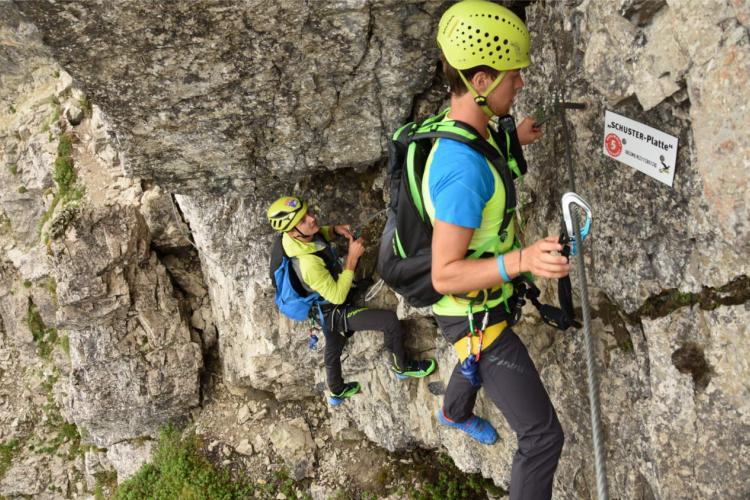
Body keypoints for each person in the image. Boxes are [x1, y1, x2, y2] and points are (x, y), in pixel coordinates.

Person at [426, 2, 569, 499]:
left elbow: (483, 154)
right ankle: (455, 409)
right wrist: (524, 261)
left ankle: (454, 410)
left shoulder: (467, 128)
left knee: (471, 368)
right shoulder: (461, 169)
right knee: (543, 437)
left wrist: (516, 137)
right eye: (514, 77)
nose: (521, 84)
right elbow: (444, 274)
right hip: (474, 317)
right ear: (482, 79)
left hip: (475, 309)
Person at [267, 196, 436, 405]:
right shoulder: (307, 264)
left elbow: (316, 234)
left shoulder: (294, 238)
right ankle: (401, 368)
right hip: (334, 311)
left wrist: (334, 230)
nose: (311, 218)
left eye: (308, 212)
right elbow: (337, 296)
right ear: (293, 232)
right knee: (389, 322)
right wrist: (352, 259)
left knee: (334, 346)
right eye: (303, 220)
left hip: (323, 310)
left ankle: (337, 391)